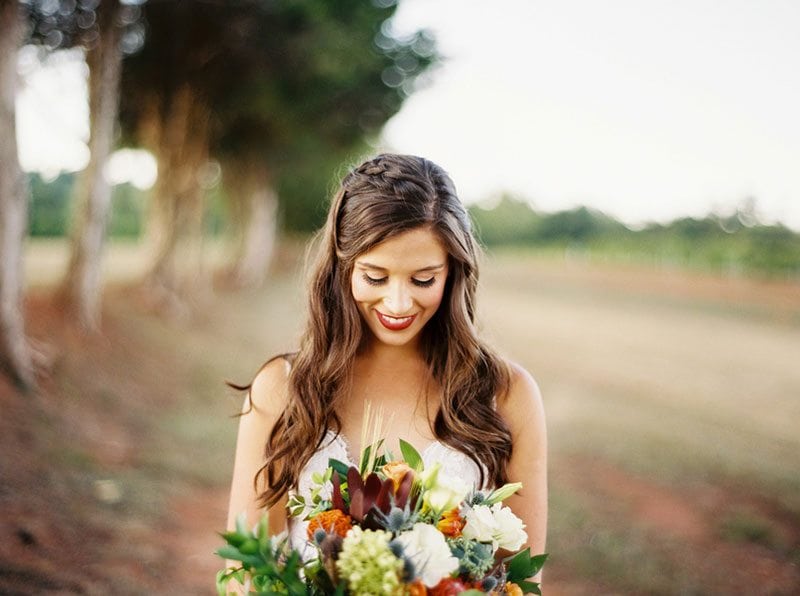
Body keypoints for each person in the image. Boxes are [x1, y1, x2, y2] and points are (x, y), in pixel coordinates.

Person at [225, 153, 547, 587]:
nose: (398, 304)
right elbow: (247, 572)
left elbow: (520, 581)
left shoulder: (508, 394)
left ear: (453, 273)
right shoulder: (282, 389)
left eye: (423, 280)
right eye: (375, 277)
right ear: (342, 269)